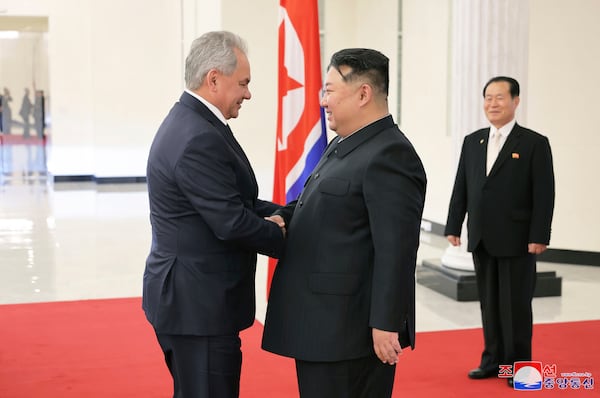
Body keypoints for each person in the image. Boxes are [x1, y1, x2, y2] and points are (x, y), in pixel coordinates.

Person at [262, 48, 427, 398]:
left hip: (351, 334)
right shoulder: (344, 144)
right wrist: (277, 216)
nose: (323, 101)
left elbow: (396, 250)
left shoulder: (390, 155)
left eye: (330, 90)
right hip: (324, 327)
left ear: (363, 94)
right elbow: (314, 204)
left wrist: (385, 323)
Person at [142, 31, 286, 398]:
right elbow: (232, 222)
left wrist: (289, 214)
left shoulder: (194, 123)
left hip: (192, 302)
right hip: (197, 308)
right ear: (214, 79)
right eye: (244, 83)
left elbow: (234, 200)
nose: (248, 93)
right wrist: (286, 236)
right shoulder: (197, 137)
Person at [444, 76, 555, 387]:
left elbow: (544, 194)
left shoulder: (534, 143)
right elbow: (462, 187)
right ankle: (492, 360)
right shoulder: (473, 141)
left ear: (516, 101)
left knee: (516, 307)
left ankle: (519, 368)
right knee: (489, 304)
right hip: (481, 237)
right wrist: (454, 224)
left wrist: (539, 235)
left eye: (500, 98)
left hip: (518, 239)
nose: (492, 104)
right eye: (488, 98)